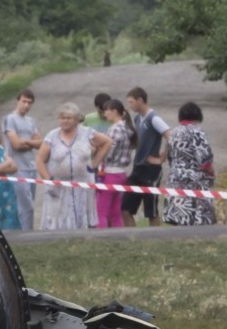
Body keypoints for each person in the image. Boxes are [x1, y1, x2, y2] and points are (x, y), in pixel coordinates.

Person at [37, 102, 108, 230]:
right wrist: (48, 180)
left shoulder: (87, 133)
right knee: (57, 223)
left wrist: (95, 162)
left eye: (68, 118)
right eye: (62, 118)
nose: (65, 121)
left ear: (76, 119)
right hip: (59, 188)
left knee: (83, 223)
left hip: (83, 187)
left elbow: (107, 142)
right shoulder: (51, 136)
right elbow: (40, 160)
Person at [161, 102, 216, 226]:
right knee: (196, 222)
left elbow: (170, 156)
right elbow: (204, 159)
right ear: (198, 115)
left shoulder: (173, 133)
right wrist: (211, 173)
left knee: (180, 219)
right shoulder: (197, 132)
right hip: (194, 182)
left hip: (175, 179)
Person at [122, 88, 170, 225]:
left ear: (140, 100)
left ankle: (154, 242)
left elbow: (170, 136)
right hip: (137, 168)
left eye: (131, 102)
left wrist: (162, 158)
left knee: (151, 211)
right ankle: (134, 240)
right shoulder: (137, 118)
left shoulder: (154, 118)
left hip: (151, 170)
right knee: (125, 209)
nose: (129, 106)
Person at [2, 89, 42, 229]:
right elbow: (16, 144)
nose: (26, 105)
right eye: (24, 101)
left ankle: (27, 232)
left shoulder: (31, 121)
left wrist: (27, 142)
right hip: (17, 169)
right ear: (18, 101)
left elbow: (40, 143)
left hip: (31, 167)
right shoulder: (10, 119)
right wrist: (30, 142)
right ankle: (24, 235)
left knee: (30, 205)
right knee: (26, 207)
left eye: (29, 103)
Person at [96, 98, 135, 229]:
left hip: (110, 173)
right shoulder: (127, 128)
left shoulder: (114, 129)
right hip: (121, 173)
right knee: (115, 212)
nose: (104, 114)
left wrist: (97, 154)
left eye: (106, 111)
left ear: (114, 111)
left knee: (100, 211)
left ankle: (100, 238)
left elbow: (109, 153)